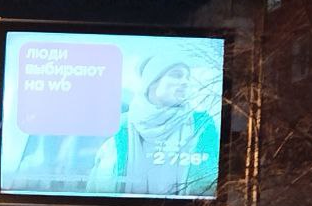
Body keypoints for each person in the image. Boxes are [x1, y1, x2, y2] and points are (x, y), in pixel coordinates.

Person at [85, 55, 220, 197]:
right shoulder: (119, 128)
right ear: (152, 81)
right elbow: (97, 191)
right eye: (177, 75)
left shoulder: (204, 126)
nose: (185, 82)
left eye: (187, 77)